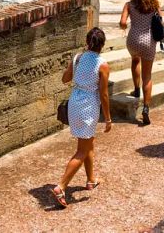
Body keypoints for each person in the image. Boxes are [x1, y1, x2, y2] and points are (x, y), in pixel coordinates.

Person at [51, 28, 111, 208]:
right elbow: (104, 94)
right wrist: (108, 118)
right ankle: (61, 186)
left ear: (87, 41)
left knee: (88, 142)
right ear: (102, 44)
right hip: (89, 106)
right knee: (82, 150)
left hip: (74, 102)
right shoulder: (102, 64)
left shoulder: (77, 58)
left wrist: (75, 71)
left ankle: (91, 179)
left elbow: (65, 79)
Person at [119, 0, 162, 125]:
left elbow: (123, 23)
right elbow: (160, 21)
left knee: (135, 60)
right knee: (148, 76)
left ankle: (136, 89)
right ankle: (145, 108)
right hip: (149, 41)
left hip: (133, 40)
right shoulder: (154, 6)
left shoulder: (129, 6)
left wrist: (124, 26)